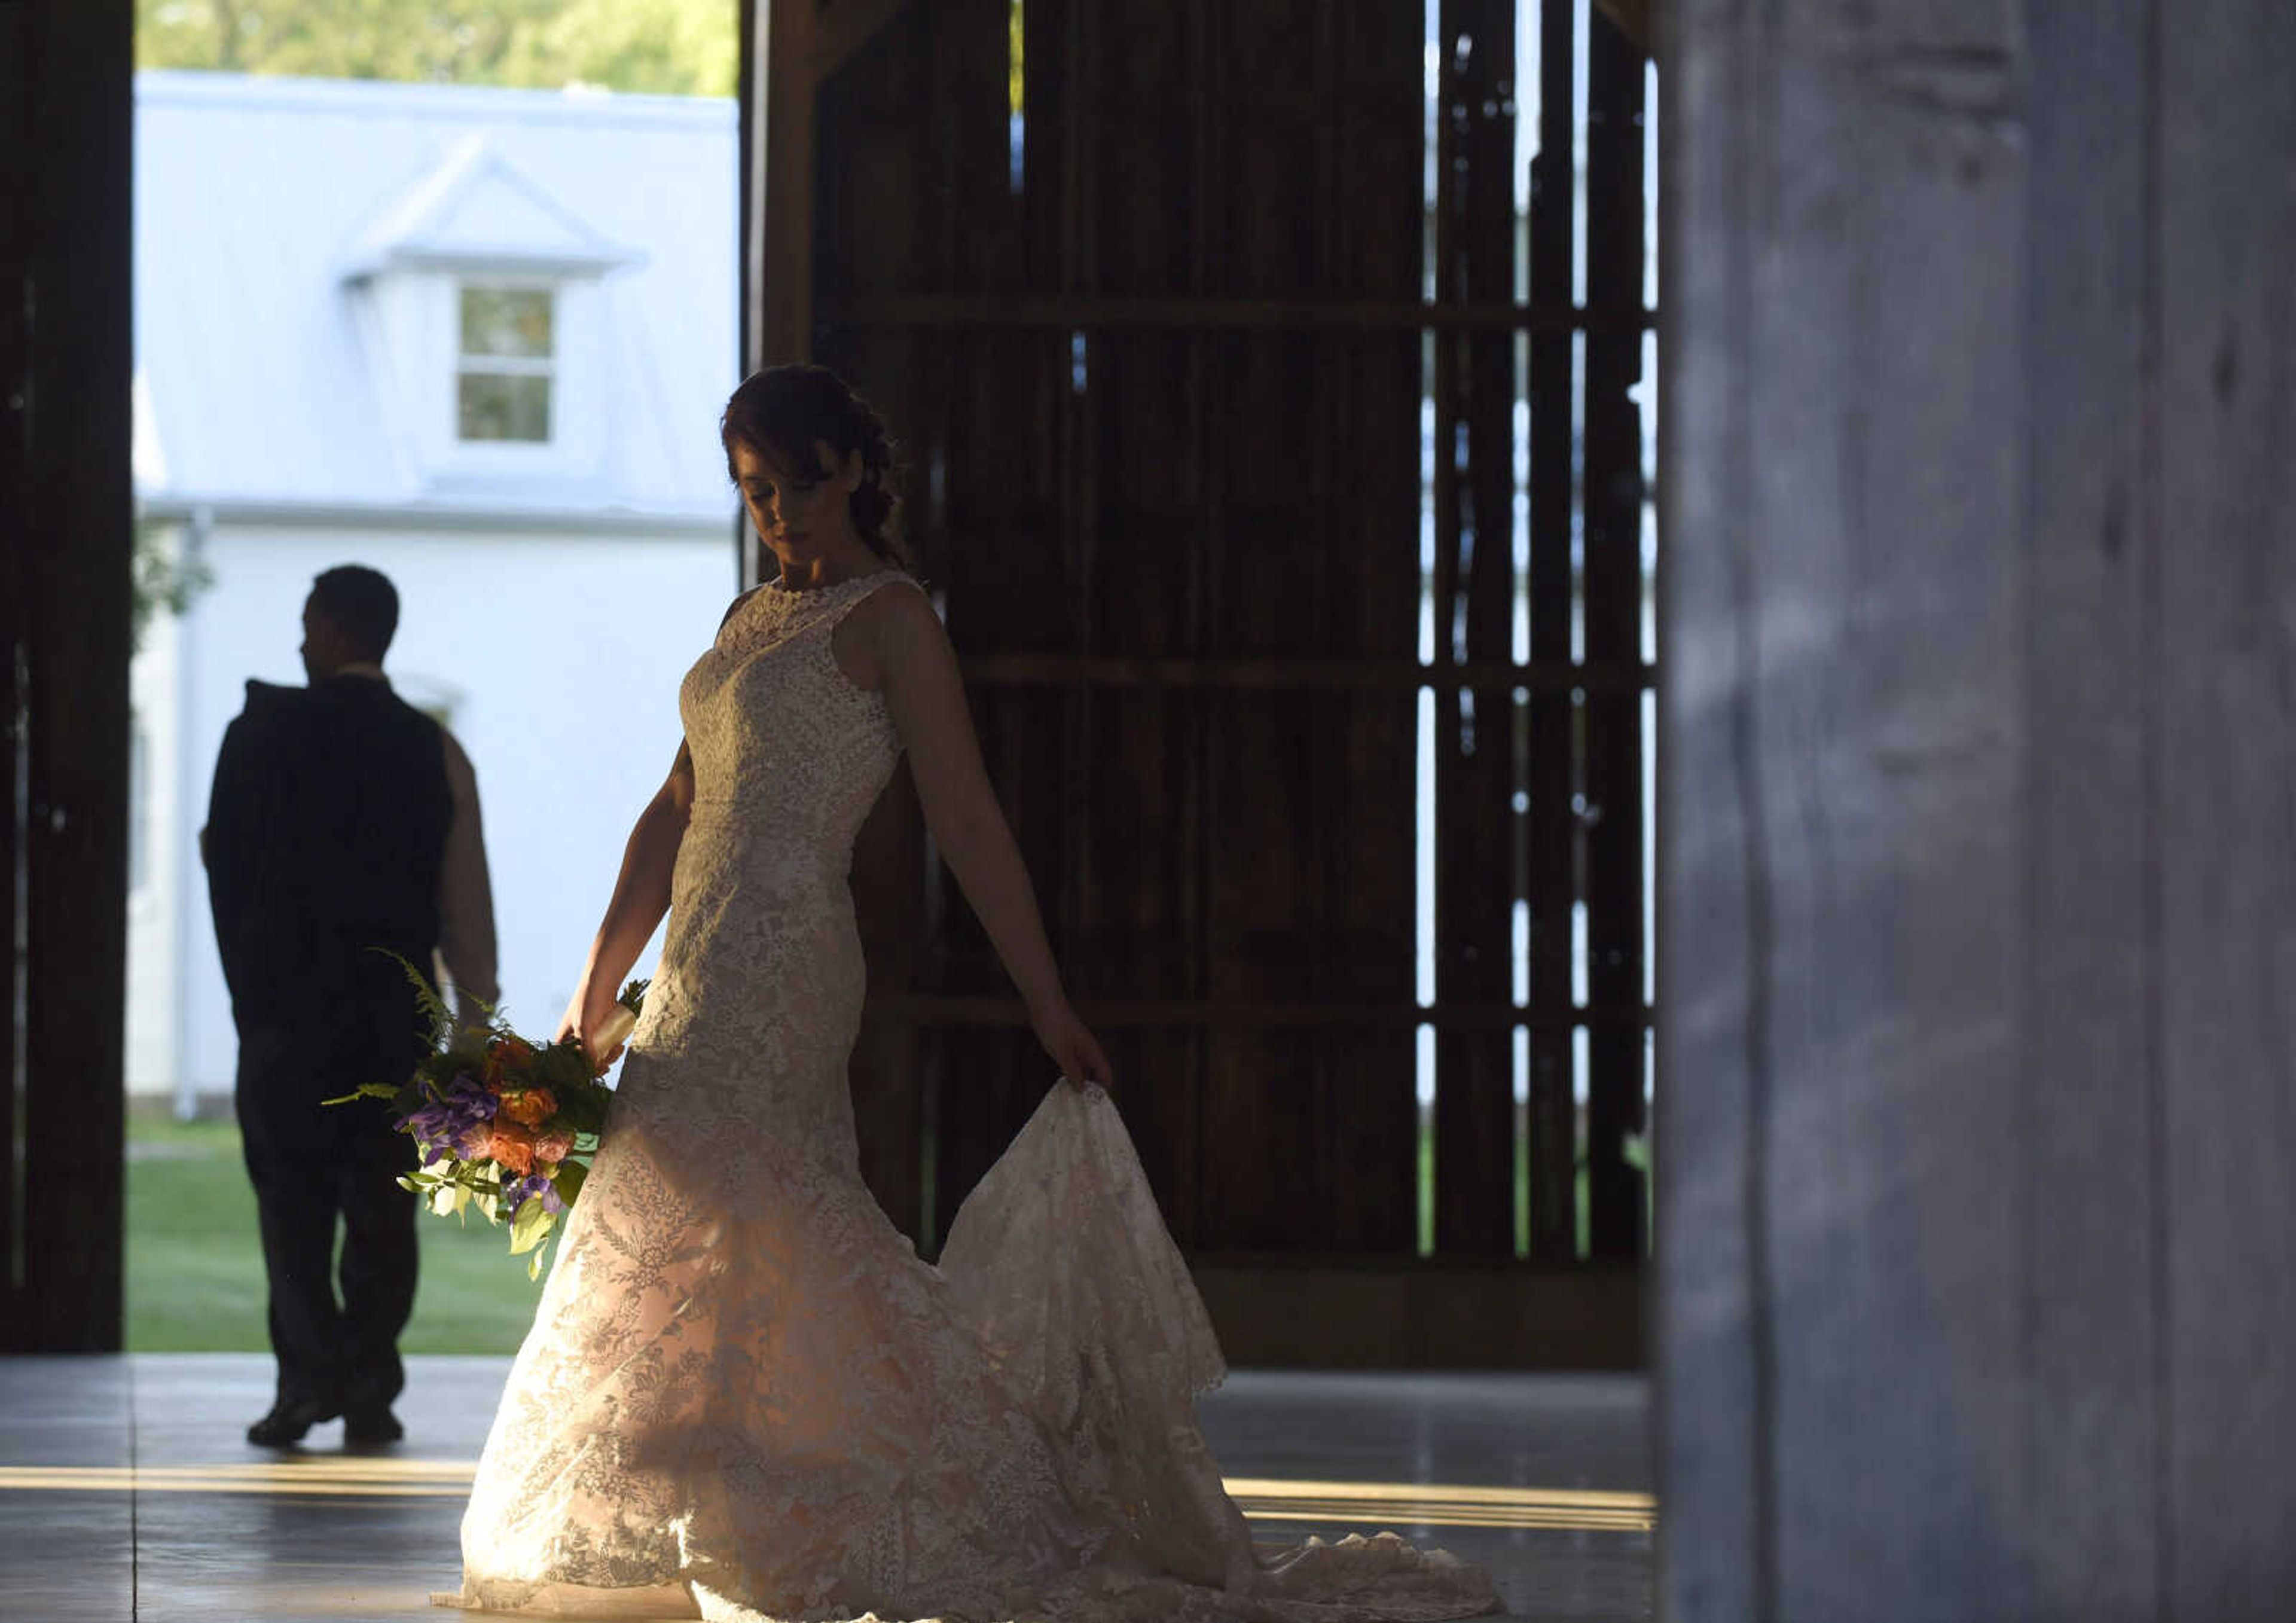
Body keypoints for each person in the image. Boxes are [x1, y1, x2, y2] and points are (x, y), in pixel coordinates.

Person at [444, 367, 1497, 1620]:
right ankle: (716, 1497)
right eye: (750, 490)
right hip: (694, 964)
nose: (773, 510)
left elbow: (966, 817)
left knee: (769, 1197)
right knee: (668, 1202)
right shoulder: (749, 619)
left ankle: (907, 1485)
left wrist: (1047, 1002)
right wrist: (591, 994)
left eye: (790, 483)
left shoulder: (894, 618)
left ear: (851, 469)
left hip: (788, 953)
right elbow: (675, 807)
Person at [204, 565, 499, 1449]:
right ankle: (368, 1382)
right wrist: (473, 1021)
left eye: (306, 623)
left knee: (290, 1205)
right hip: (390, 1015)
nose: (299, 641)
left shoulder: (257, 737)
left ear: (333, 631)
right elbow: (464, 896)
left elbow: (227, 868)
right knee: (382, 1204)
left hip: (285, 1011)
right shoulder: (434, 748)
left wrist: (249, 992)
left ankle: (305, 1383)